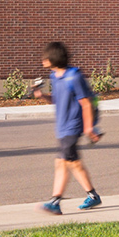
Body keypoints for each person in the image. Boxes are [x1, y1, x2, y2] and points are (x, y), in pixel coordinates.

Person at [31, 41, 101, 212]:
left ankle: (55, 202)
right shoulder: (55, 76)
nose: (43, 60)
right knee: (72, 163)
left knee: (62, 161)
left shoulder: (74, 76)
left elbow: (85, 103)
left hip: (73, 126)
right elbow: (58, 98)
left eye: (45, 57)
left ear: (53, 57)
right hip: (62, 127)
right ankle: (92, 196)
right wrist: (42, 96)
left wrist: (89, 127)